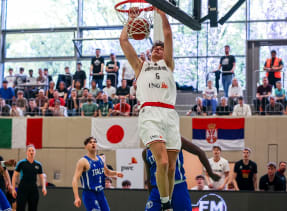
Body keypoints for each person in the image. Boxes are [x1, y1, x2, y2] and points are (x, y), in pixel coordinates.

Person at [120, 9, 180, 210]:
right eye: (155, 47)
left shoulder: (168, 65)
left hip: (170, 115)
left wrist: (163, 14)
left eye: (160, 48)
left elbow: (168, 34)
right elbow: (124, 42)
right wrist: (130, 21)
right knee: (161, 162)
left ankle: (168, 203)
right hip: (150, 114)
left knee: (171, 168)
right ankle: (165, 204)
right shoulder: (140, 66)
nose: (157, 49)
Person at [143, 136, 220, 211]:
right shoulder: (146, 151)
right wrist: (151, 195)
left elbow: (200, 152)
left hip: (178, 186)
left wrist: (210, 173)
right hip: (157, 190)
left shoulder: (176, 139)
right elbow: (149, 178)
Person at [72, 137, 123, 211]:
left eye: (94, 142)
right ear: (85, 146)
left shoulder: (101, 159)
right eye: (90, 142)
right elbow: (75, 179)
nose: (93, 143)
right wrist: (76, 197)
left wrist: (116, 173)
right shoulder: (83, 161)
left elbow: (107, 172)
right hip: (89, 193)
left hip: (100, 193)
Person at [12, 145, 47, 211]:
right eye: (29, 150)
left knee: (33, 208)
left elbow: (42, 176)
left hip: (33, 189)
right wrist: (13, 189)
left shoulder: (38, 164)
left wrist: (44, 187)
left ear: (35, 152)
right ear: (26, 152)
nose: (31, 152)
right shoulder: (21, 163)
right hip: (22, 189)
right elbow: (14, 176)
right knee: (20, 208)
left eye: (33, 150)